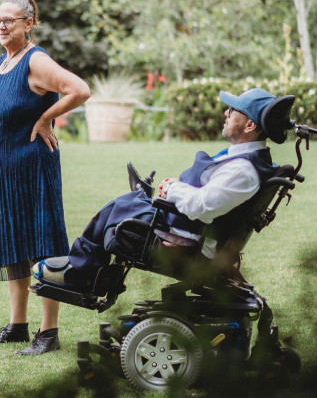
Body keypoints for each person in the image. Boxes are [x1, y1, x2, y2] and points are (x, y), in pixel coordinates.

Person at [35, 87, 280, 288]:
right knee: (128, 202)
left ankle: (79, 273)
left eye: (234, 110)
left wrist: (173, 188)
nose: (226, 112)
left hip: (186, 237)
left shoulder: (243, 170)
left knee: (121, 207)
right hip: (187, 224)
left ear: (250, 125)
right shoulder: (243, 159)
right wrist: (178, 187)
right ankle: (87, 269)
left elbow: (202, 206)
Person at [0, 0, 90, 355]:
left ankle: (48, 332)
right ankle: (17, 326)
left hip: (32, 166)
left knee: (42, 244)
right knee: (11, 243)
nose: (2, 26)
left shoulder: (36, 60)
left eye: (10, 20)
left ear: (28, 23)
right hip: (1, 171)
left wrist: (47, 117)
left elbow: (80, 90)